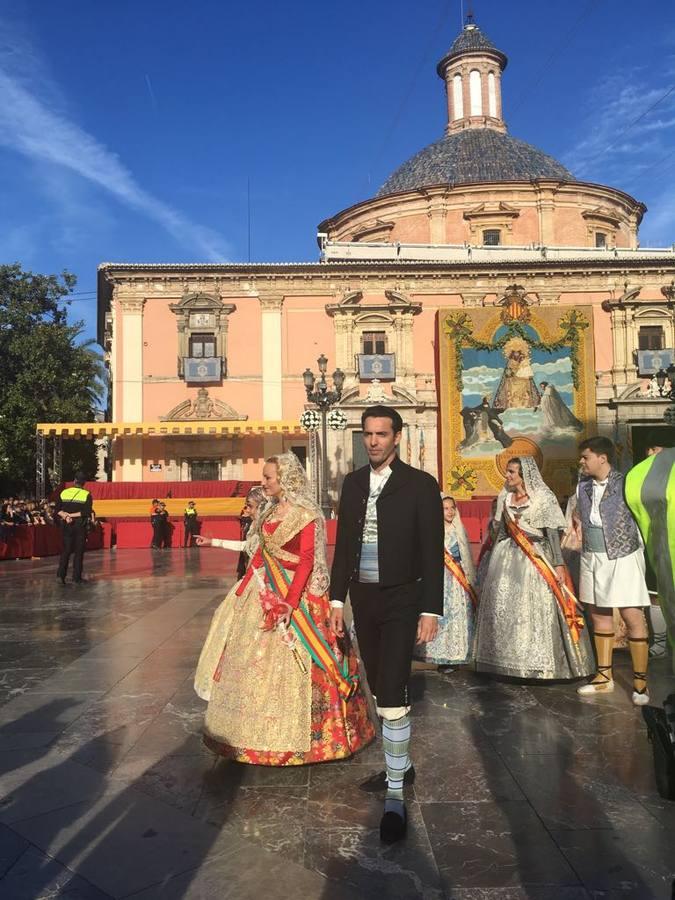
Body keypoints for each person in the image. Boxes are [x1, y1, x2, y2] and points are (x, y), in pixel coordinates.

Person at [194, 452, 375, 766]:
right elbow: (262, 554)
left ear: (285, 479)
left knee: (303, 663)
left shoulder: (305, 514)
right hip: (262, 590)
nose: (263, 482)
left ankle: (311, 740)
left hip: (297, 595)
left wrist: (290, 604)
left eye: (268, 477)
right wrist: (243, 589)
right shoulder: (268, 512)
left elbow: (307, 561)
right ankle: (246, 735)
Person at [329, 405, 444, 844]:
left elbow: (432, 552)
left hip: (402, 598)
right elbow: (343, 549)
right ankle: (402, 763)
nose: (374, 441)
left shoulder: (420, 485)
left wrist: (431, 610)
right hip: (365, 597)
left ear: (397, 437)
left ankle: (395, 795)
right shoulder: (354, 482)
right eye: (368, 434)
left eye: (381, 434)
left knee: (393, 690)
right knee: (378, 685)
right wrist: (337, 599)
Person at [474, 456, 594, 681]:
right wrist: (492, 550)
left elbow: (551, 534)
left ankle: (540, 665)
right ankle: (503, 663)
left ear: (524, 475)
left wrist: (558, 564)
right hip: (506, 558)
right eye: (508, 471)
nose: (507, 476)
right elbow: (499, 533)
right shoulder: (505, 497)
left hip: (536, 557)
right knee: (504, 607)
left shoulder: (543, 498)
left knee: (535, 607)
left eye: (512, 472)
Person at [575, 436, 652, 705]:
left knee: (632, 615)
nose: (582, 462)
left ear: (602, 458)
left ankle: (640, 683)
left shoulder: (626, 482)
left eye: (586, 457)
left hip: (623, 554)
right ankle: (603, 677)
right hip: (592, 555)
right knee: (598, 614)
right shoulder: (582, 486)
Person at [624, 435, 675, 675]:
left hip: (663, 548)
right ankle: (662, 642)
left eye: (653, 449)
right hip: (654, 548)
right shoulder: (638, 478)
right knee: (657, 597)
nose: (649, 456)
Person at [415, 496, 477, 674]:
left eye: (452, 508)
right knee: (439, 616)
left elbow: (466, 557)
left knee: (457, 616)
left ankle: (455, 656)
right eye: (445, 508)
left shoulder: (460, 530)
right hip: (438, 579)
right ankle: (437, 653)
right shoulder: (432, 530)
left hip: (457, 581)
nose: (450, 512)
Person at [55, 472, 93, 585]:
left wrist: (66, 516)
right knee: (78, 552)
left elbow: (57, 510)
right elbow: (86, 512)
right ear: (84, 483)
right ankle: (76, 577)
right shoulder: (86, 494)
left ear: (74, 481)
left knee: (66, 550)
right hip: (79, 526)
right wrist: (72, 516)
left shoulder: (64, 492)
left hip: (66, 525)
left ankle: (61, 576)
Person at [237, 486, 266, 579]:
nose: (248, 511)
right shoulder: (254, 526)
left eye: (250, 506)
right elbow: (247, 546)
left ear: (262, 507)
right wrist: (212, 542)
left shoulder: (266, 530)